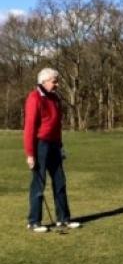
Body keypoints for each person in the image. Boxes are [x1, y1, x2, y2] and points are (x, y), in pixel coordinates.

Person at [23, 68, 80, 232]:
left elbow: (57, 126)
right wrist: (30, 154)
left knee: (60, 182)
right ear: (44, 81)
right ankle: (34, 221)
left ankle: (63, 219)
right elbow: (29, 128)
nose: (57, 84)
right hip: (40, 144)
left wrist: (61, 146)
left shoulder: (55, 98)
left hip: (54, 145)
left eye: (57, 81)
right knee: (38, 185)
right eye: (54, 81)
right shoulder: (34, 97)